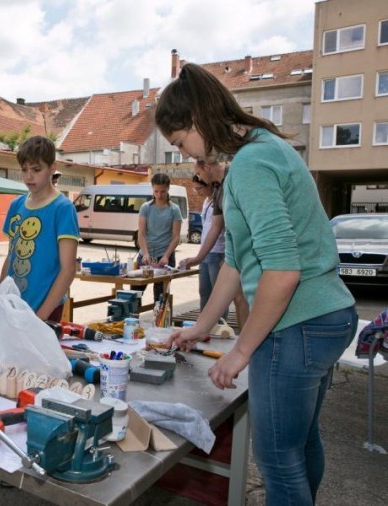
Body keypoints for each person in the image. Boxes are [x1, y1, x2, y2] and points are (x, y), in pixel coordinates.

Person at [158, 63, 357, 505]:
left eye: (181, 143)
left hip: (298, 323)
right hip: (327, 316)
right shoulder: (268, 148)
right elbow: (237, 260)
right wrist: (200, 327)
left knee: (277, 459)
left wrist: (241, 350)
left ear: (195, 120)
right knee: (301, 443)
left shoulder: (250, 164)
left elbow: (282, 271)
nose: (189, 157)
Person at [0, 135, 79, 487]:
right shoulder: (16, 206)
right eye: (25, 169)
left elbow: (67, 269)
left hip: (42, 312)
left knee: (35, 388)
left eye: (37, 170)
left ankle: (31, 455)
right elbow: (12, 255)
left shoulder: (62, 209)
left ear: (52, 169)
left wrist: (40, 317)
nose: (29, 176)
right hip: (10, 310)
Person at [179, 172, 227, 320]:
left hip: (218, 252)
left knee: (218, 294)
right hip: (206, 252)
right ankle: (203, 323)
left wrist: (198, 258)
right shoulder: (207, 201)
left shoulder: (219, 199)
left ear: (210, 185)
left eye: (199, 189)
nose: (197, 193)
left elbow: (216, 228)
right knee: (204, 291)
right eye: (195, 189)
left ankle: (219, 325)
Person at [136, 172, 182, 303]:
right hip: (146, 255)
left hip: (165, 256)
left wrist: (167, 255)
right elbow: (141, 233)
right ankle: (132, 320)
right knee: (135, 292)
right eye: (156, 191)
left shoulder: (174, 209)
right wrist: (145, 253)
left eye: (162, 191)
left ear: (168, 189)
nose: (159, 195)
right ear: (152, 189)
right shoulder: (146, 208)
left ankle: (159, 323)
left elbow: (176, 236)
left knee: (160, 297)